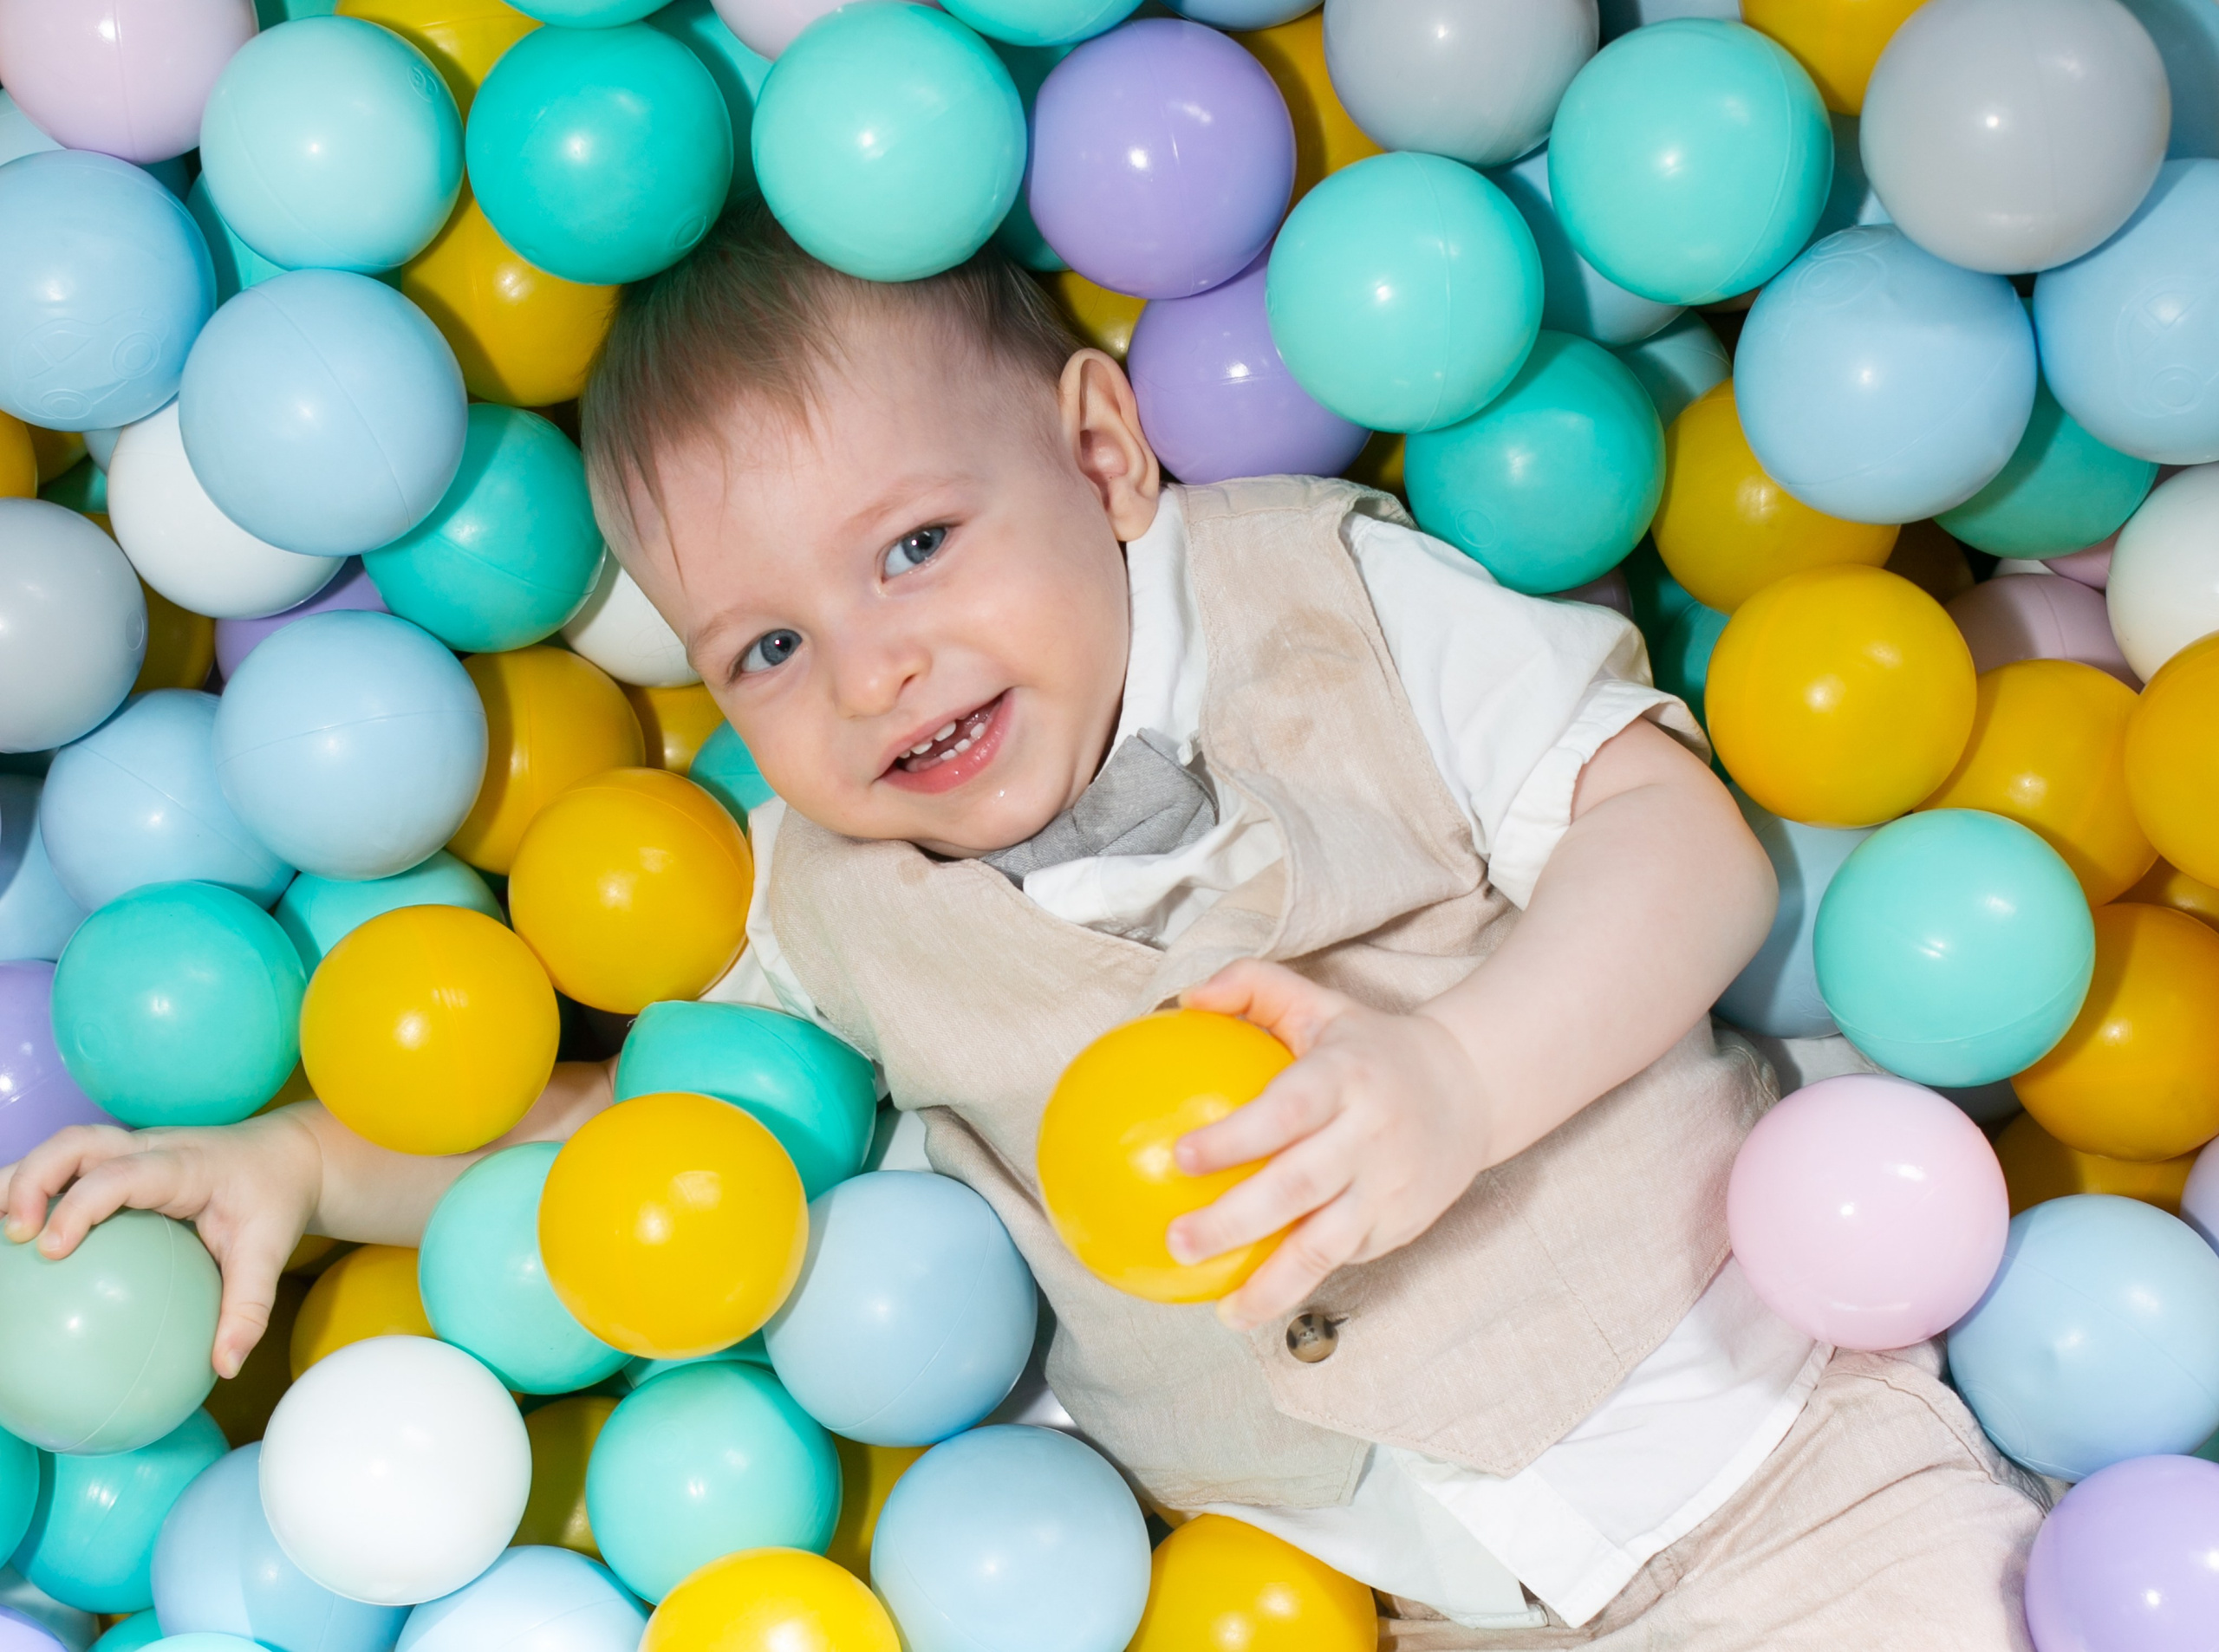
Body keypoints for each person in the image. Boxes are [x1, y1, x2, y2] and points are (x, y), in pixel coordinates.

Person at [0, 203, 2044, 1647]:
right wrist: (300, 1155)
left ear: (1096, 447)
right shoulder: (829, 903)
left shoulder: (1330, 591)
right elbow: (648, 1152)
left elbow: (1671, 840)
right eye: (774, 644)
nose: (875, 669)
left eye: (914, 545)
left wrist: (1455, 1068)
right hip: (1418, 1603)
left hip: (1786, 1464)